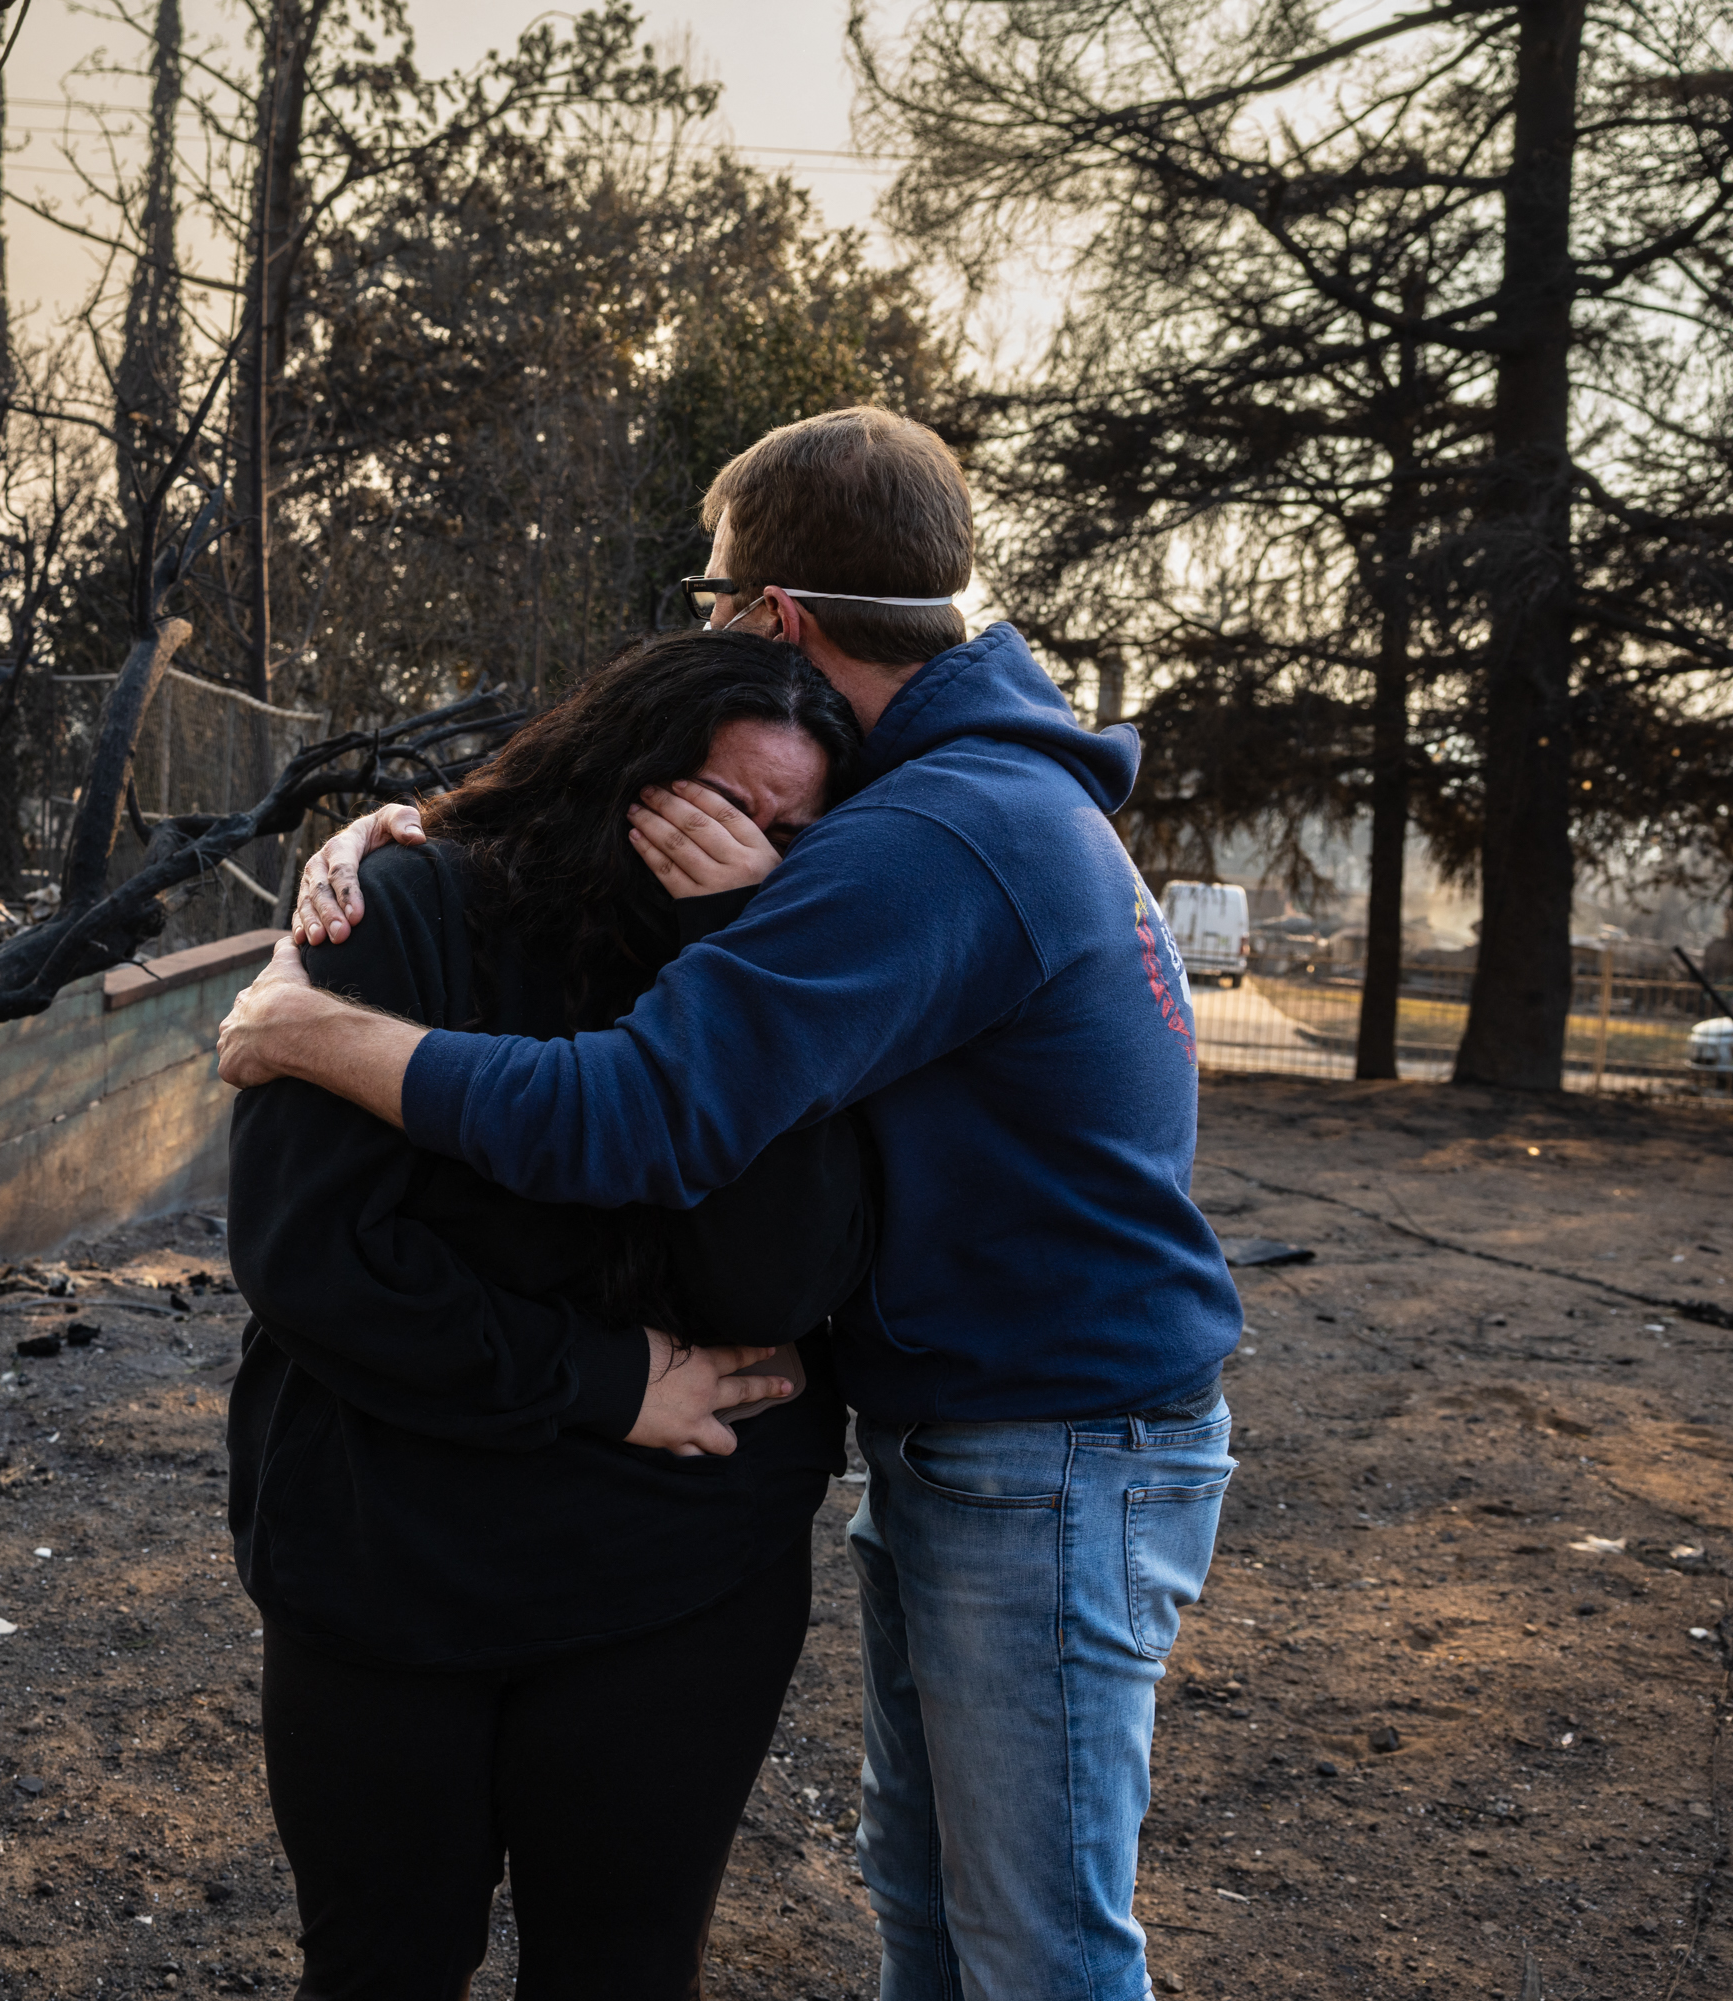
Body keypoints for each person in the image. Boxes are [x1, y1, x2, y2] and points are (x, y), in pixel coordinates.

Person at [219, 406, 1242, 2001]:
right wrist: (410, 828)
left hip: (1050, 1447)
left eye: (711, 606)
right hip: (1008, 1432)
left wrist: (309, 1029)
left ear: (773, 615)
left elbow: (637, 1113)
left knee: (1035, 1947)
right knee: (944, 1904)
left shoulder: (930, 834)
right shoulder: (964, 793)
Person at [229, 628, 873, 1999]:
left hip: (678, 1575)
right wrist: (602, 1377)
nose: (740, 845)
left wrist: (733, 942)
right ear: (620, 770)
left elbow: (769, 1284)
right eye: (711, 806)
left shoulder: (789, 962)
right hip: (391, 1557)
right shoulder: (405, 909)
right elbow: (313, 1258)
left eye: (786, 829)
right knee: (380, 1966)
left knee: (623, 1973)